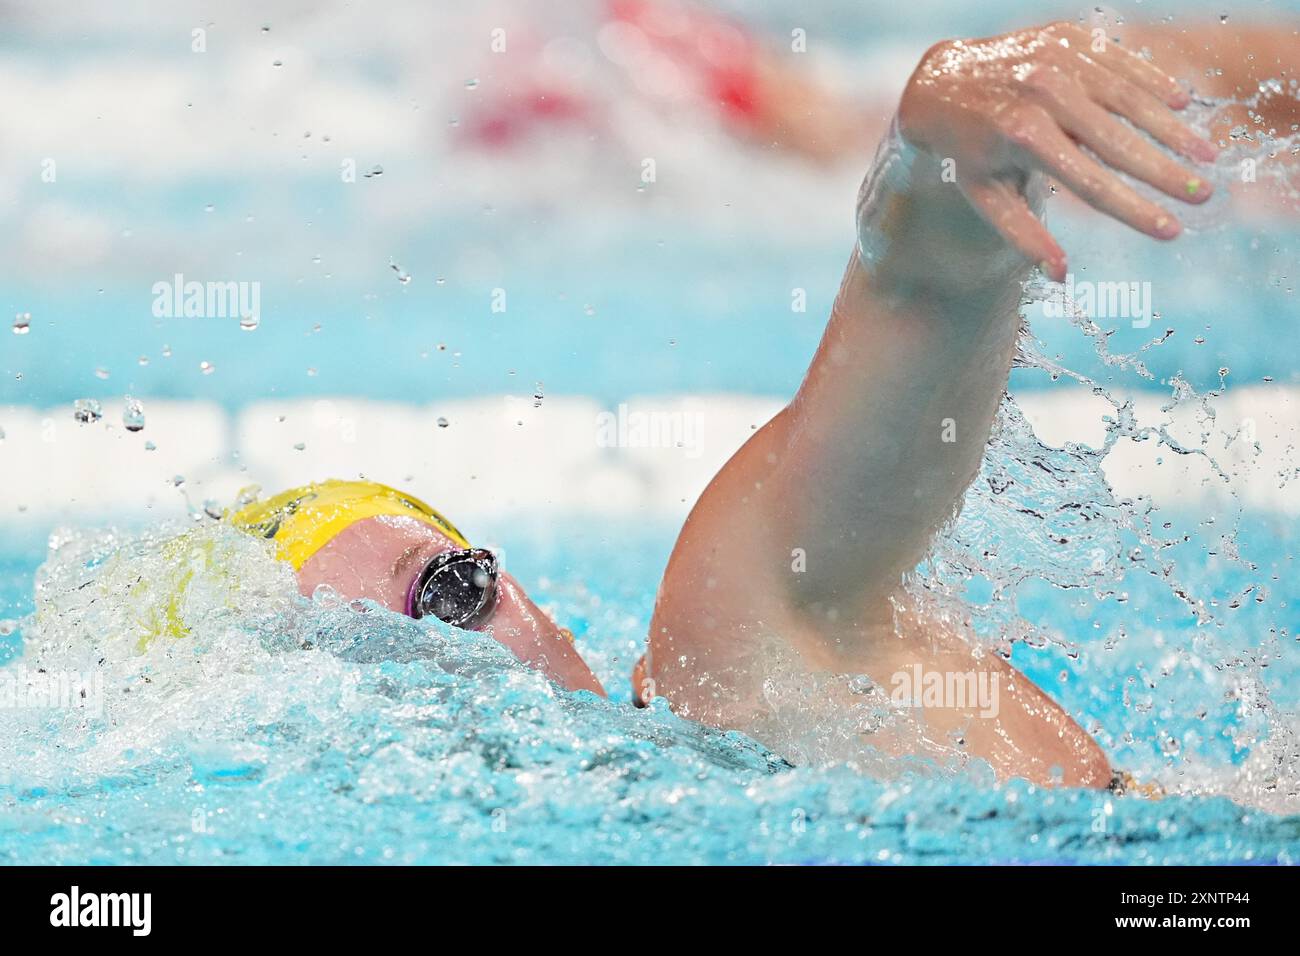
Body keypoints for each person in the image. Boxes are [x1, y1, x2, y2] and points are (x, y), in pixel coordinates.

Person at [217, 20, 1220, 790]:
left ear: (528, 595)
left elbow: (918, 295)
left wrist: (939, 149)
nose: (438, 671)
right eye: (359, 670)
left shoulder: (732, 653)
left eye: (449, 592)